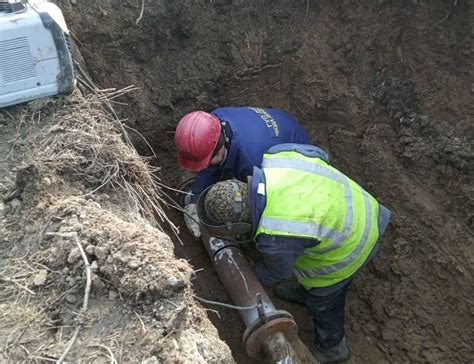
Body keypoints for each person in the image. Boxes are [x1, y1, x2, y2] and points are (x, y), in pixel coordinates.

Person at [197, 143, 391, 363]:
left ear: (238, 225)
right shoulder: (273, 158)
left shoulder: (274, 232)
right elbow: (319, 154)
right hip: (360, 203)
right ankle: (305, 292)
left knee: (324, 299)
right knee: (305, 253)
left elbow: (278, 271)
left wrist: (245, 277)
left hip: (357, 240)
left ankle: (333, 348)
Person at [175, 107, 310, 238]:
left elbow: (267, 203)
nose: (206, 166)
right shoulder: (213, 122)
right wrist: (195, 199)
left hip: (299, 157)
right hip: (278, 125)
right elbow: (210, 159)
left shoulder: (254, 162)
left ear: (221, 148)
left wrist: (248, 228)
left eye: (207, 161)